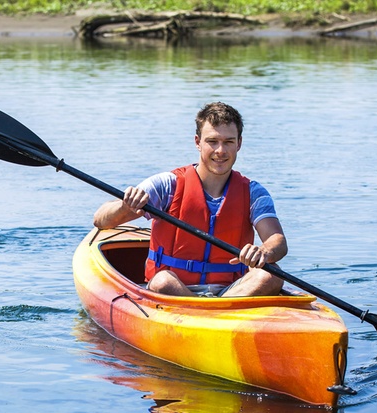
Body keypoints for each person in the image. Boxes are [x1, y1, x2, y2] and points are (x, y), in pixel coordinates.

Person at [93, 102, 287, 297]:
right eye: (212, 141)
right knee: (162, 281)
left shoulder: (253, 192)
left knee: (273, 274)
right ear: (197, 142)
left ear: (239, 143)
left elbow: (277, 241)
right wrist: (125, 207)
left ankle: (214, 312)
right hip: (175, 291)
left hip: (233, 292)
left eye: (228, 142)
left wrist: (264, 251)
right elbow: (101, 220)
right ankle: (208, 312)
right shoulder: (168, 185)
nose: (221, 150)